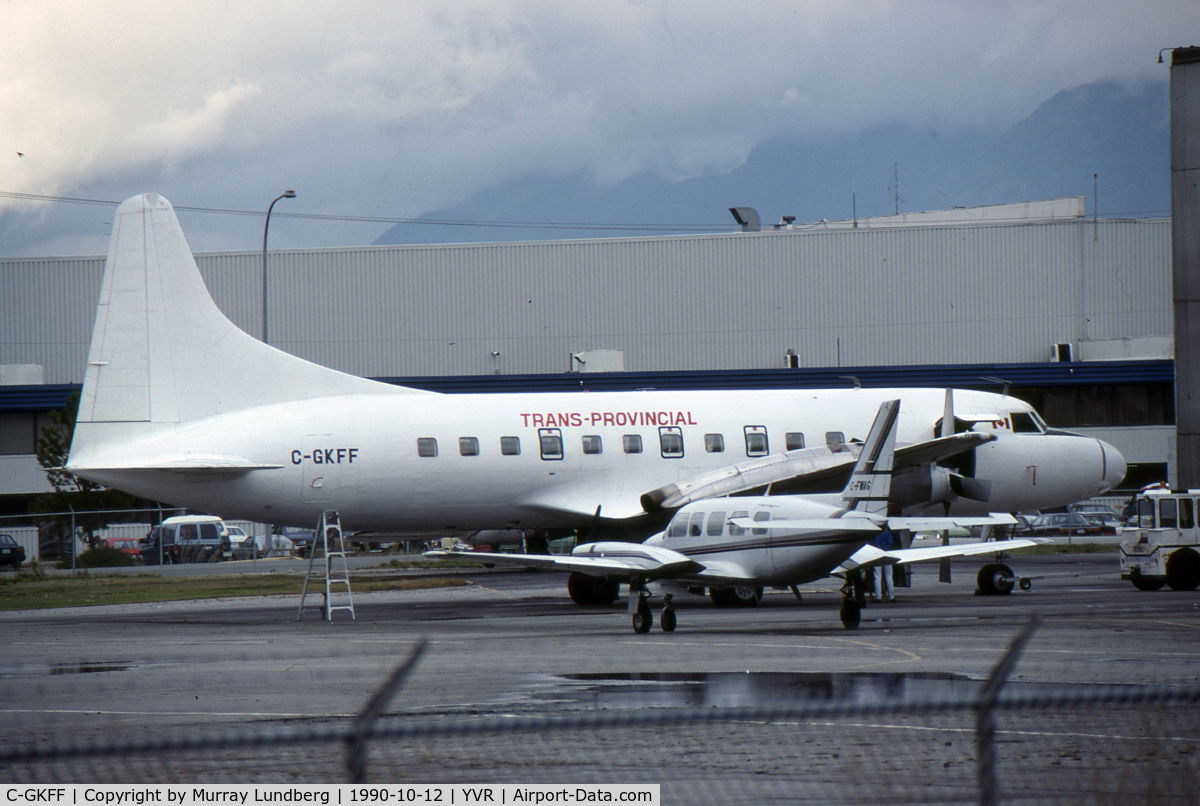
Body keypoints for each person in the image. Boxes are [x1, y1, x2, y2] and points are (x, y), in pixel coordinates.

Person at [872, 527, 895, 602]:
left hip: (876, 554)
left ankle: (878, 597)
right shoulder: (886, 531)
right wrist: (886, 548)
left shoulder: (874, 532)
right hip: (887, 554)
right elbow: (890, 540)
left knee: (877, 576)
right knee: (889, 576)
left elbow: (872, 543)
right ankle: (892, 596)